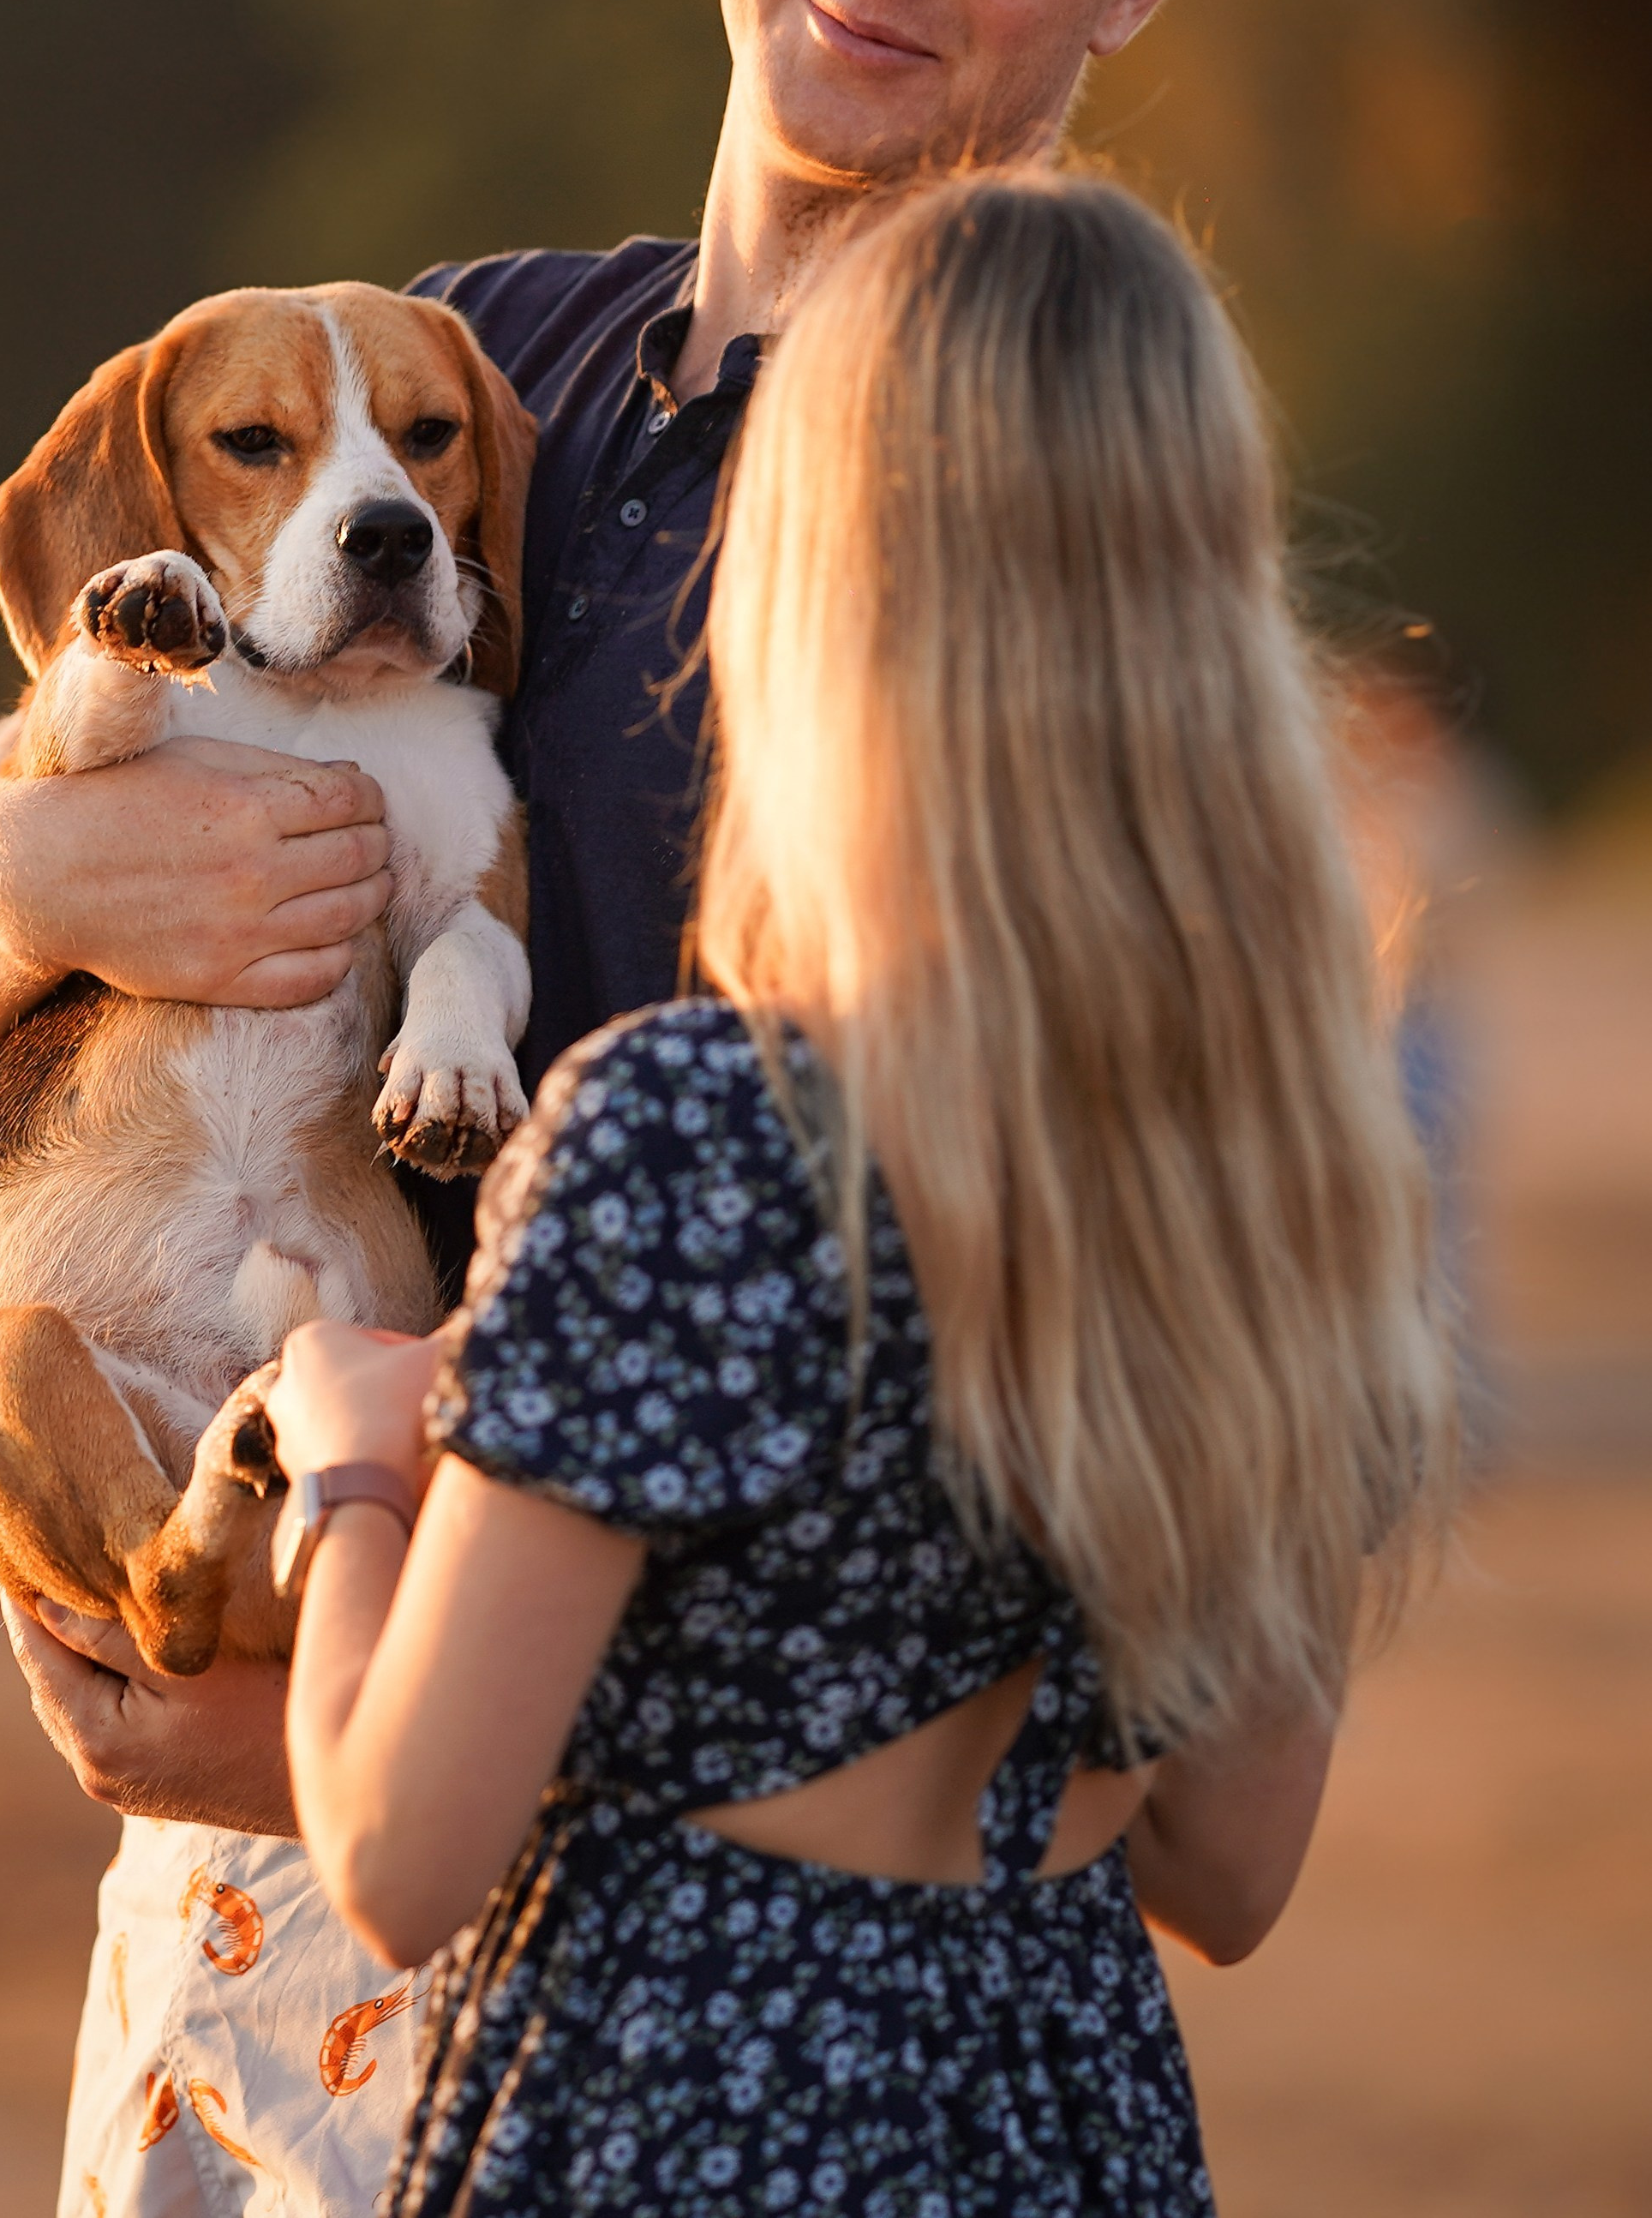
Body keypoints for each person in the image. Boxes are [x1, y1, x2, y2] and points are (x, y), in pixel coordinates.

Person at [0, 0, 1251, 2215]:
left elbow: (1074, 1487)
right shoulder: (458, 372)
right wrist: (58, 887)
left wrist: (373, 1722)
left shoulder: (1050, 528)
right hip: (255, 1951)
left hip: (692, 1975)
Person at [264, 171, 1458, 2216]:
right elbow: (1226, 1878)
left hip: (670, 2136)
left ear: (819, 593)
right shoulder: (1292, 1168)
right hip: (1060, 2140)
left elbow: (393, 1860)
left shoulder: (687, 1138)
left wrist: (353, 1463)